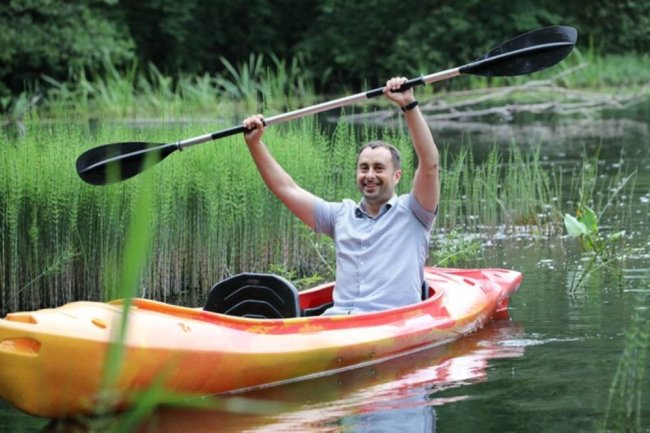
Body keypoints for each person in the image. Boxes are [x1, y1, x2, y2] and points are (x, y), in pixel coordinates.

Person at [242, 77, 439, 315]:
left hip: (392, 322)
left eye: (378, 168)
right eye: (364, 168)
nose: (369, 175)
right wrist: (255, 145)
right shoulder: (339, 215)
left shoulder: (415, 212)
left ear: (397, 176)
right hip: (337, 322)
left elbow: (429, 165)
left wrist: (408, 104)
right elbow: (286, 189)